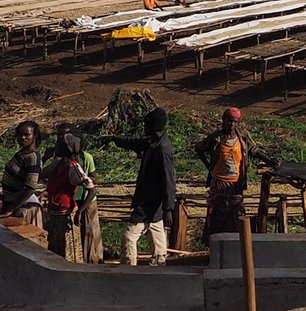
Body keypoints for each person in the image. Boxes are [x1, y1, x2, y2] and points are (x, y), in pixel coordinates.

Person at [115, 108, 180, 265]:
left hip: (149, 202)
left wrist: (169, 209)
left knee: (129, 237)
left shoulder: (163, 150)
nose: (144, 128)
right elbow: (135, 142)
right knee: (158, 241)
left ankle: (129, 271)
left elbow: (168, 181)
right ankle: (159, 268)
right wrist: (115, 139)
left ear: (151, 126)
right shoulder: (153, 141)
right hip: (153, 204)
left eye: (146, 124)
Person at [196, 107, 255, 244]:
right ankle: (214, 247)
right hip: (219, 183)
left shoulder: (243, 136)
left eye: (235, 122)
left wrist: (269, 160)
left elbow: (254, 150)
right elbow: (199, 148)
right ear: (223, 121)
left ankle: (233, 245)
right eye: (229, 121)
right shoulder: (216, 137)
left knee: (236, 216)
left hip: (236, 184)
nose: (232, 124)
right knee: (216, 216)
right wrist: (209, 166)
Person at [43, 126, 102, 264]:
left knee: (68, 256)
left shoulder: (73, 168)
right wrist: (45, 159)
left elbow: (92, 189)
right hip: (56, 215)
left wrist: (80, 212)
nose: (55, 145)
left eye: (59, 143)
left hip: (66, 217)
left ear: (66, 148)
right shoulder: (57, 165)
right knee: (56, 253)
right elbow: (39, 174)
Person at [5, 119, 47, 206]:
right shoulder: (22, 154)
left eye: (27, 134)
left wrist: (11, 209)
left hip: (23, 204)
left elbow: (31, 188)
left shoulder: (32, 157)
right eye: (20, 134)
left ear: (34, 136)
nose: (23, 137)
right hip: (12, 200)